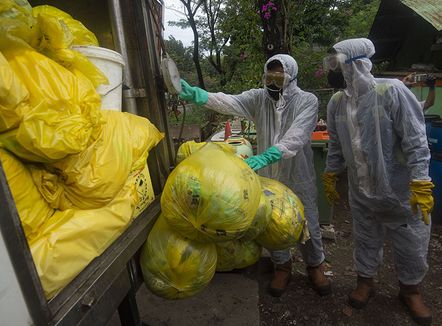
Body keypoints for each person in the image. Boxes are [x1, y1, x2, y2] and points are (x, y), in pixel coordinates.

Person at [178, 54, 331, 297]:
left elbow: (297, 135)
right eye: (269, 76)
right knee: (270, 219)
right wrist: (199, 95)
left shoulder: (307, 101)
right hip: (270, 174)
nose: (273, 82)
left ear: (291, 77)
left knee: (307, 219)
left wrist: (267, 155)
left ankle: (315, 265)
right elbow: (228, 102)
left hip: (297, 174)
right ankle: (282, 266)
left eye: (279, 77)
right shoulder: (259, 98)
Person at [321, 38, 434, 326]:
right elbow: (335, 143)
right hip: (361, 191)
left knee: (411, 241)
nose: (332, 69)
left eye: (336, 62)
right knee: (365, 237)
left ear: (356, 63)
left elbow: (415, 139)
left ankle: (410, 290)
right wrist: (332, 172)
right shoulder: (337, 102)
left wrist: (420, 181)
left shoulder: (391, 91)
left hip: (400, 189)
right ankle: (365, 281)